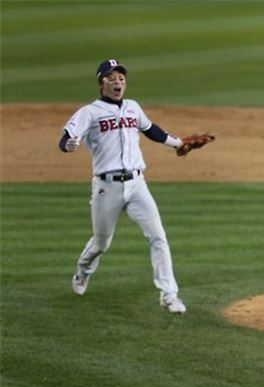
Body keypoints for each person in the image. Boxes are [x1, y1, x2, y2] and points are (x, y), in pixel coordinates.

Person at [59, 58, 214, 314]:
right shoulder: (90, 112)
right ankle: (82, 272)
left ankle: (169, 295)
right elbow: (66, 137)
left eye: (120, 77)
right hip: (106, 187)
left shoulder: (132, 107)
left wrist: (179, 144)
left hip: (137, 184)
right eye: (111, 77)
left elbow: (151, 130)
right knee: (101, 244)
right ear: (101, 84)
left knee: (158, 236)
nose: (117, 81)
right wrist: (68, 145)